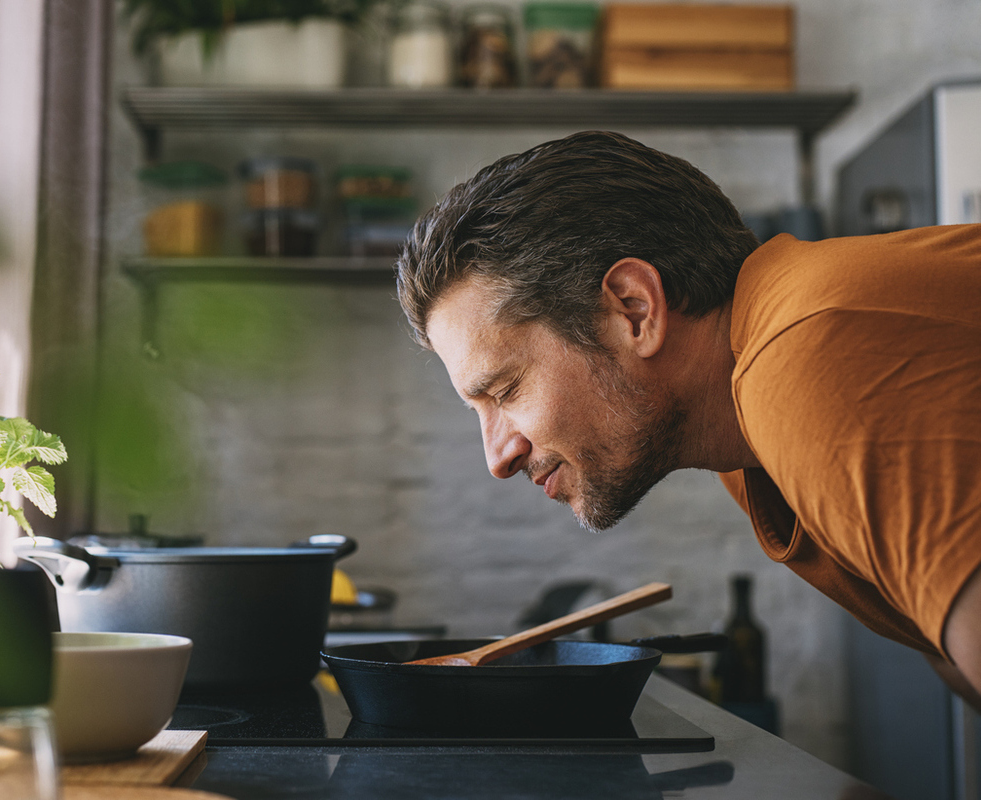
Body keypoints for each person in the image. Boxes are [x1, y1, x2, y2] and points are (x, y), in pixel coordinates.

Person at [395, 130, 981, 705]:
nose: (497, 458)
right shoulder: (739, 433)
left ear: (633, 309)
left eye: (506, 389)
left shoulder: (804, 358)